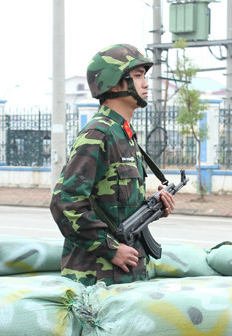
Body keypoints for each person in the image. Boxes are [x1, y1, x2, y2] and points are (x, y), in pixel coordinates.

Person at [50, 43, 175, 287]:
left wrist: (153, 207)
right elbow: (64, 202)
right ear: (115, 83)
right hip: (97, 278)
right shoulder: (99, 134)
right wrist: (110, 248)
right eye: (138, 76)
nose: (146, 84)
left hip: (125, 276)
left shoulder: (123, 134)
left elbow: (114, 206)